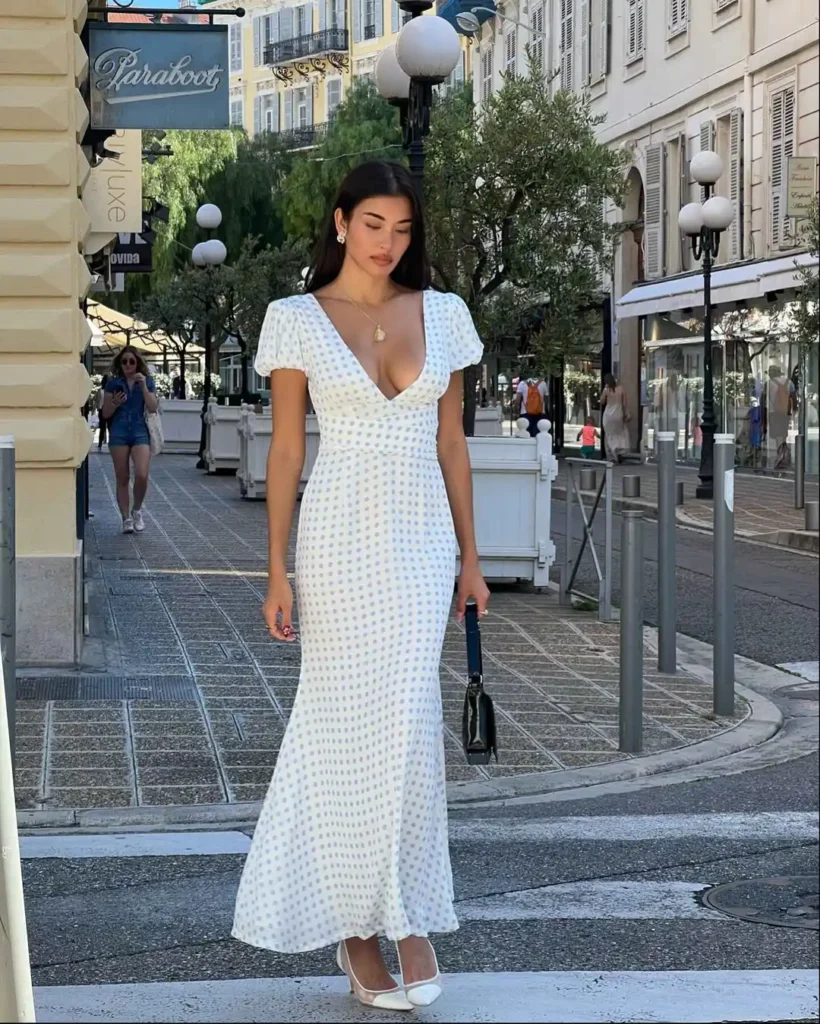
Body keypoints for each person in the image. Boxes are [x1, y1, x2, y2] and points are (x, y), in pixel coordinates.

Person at [231, 161, 490, 1012]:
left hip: (419, 543)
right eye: (374, 224)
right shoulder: (296, 320)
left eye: (404, 229)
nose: (389, 243)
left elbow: (453, 444)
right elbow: (284, 451)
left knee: (409, 719)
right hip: (339, 539)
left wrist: (472, 558)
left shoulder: (445, 315)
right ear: (342, 223)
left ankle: (406, 914)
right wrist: (276, 568)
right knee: (340, 722)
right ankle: (353, 927)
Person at [101, 346, 158, 534]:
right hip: (119, 432)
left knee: (142, 474)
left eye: (131, 361)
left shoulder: (147, 382)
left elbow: (152, 407)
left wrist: (143, 387)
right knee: (123, 477)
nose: (128, 365)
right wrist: (115, 402)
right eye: (124, 361)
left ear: (137, 363)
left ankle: (137, 510)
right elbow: (106, 413)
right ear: (120, 363)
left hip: (140, 431)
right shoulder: (113, 384)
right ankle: (126, 518)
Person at [600, 373, 630, 463]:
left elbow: (601, 401)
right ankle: (619, 452)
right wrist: (626, 413)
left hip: (608, 415)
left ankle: (612, 454)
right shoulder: (621, 389)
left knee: (609, 435)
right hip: (618, 414)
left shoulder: (606, 390)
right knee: (620, 433)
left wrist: (604, 391)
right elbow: (624, 404)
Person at [95, 374, 108, 450]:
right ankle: (110, 442)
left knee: (102, 427)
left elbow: (97, 401)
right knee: (110, 427)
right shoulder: (110, 391)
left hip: (101, 410)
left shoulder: (100, 391)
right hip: (109, 409)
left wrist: (94, 409)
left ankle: (100, 442)